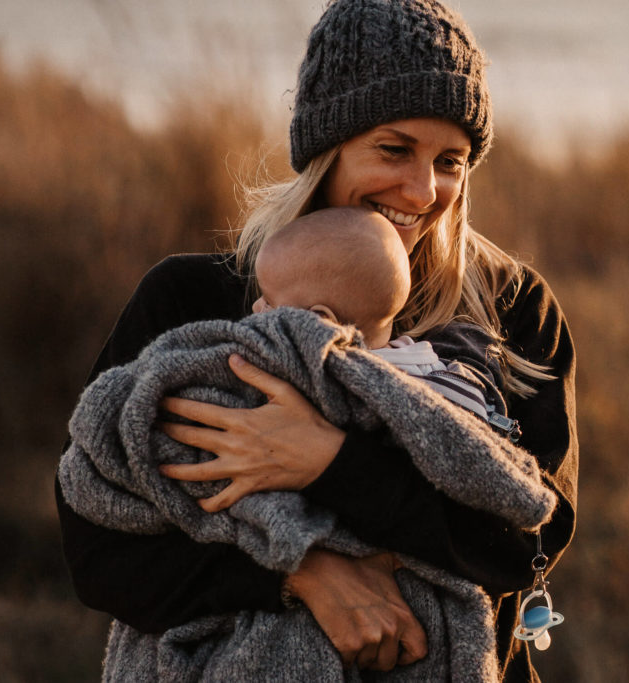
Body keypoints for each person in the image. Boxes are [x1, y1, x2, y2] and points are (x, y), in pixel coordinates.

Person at [55, 0, 577, 680]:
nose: (423, 191)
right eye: (393, 149)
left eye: (451, 160)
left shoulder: (513, 311)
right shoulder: (193, 301)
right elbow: (99, 552)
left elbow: (528, 541)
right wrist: (304, 571)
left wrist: (329, 460)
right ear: (326, 148)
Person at [251, 205, 508, 424]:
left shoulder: (329, 385)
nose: (255, 307)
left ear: (320, 322)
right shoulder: (441, 376)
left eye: (269, 302)